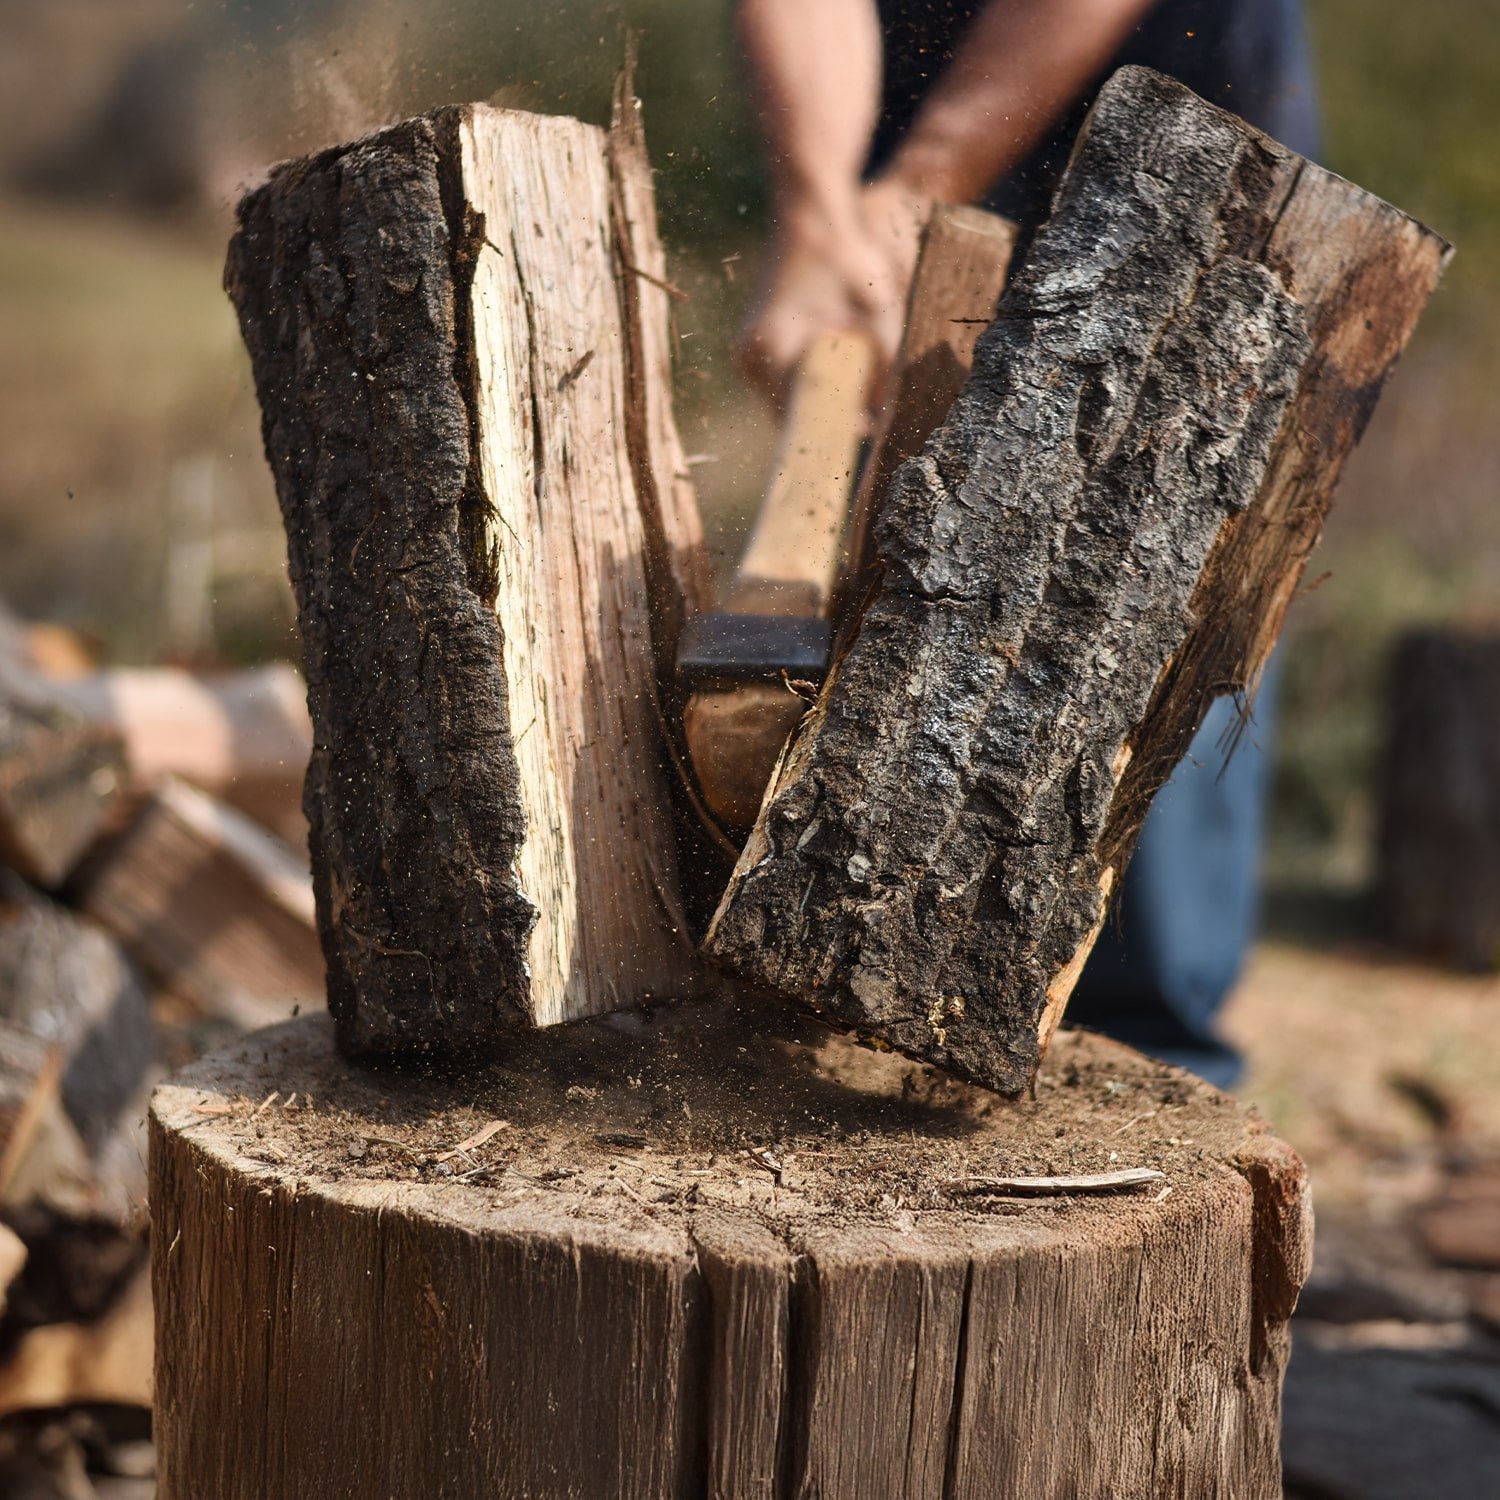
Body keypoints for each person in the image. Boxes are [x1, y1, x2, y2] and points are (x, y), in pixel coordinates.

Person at [734, 0, 1320, 1087]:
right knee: (918, 622)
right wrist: (822, 212)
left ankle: (1139, 1082)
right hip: (906, 147)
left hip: (1180, 151)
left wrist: (919, 188)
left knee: (1134, 592)